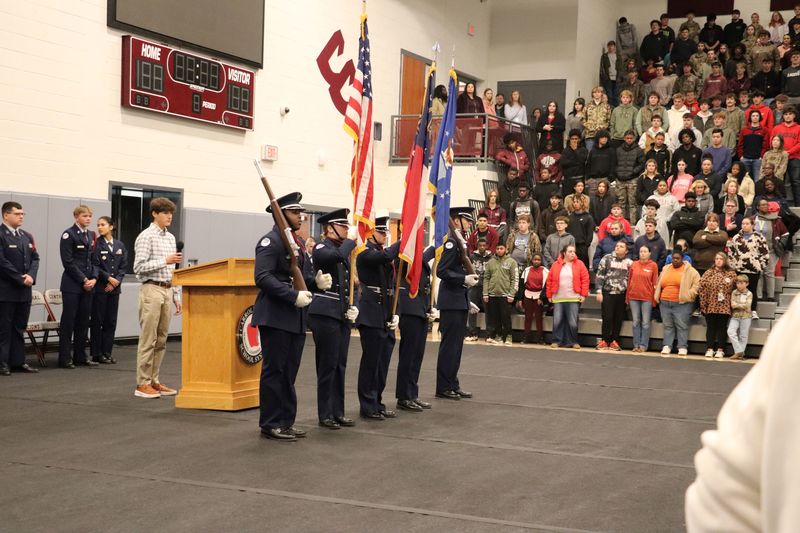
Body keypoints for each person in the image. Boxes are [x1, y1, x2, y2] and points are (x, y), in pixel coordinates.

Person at [253, 193, 323, 439]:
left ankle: (286, 420)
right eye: (295, 213)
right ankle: (271, 423)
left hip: (295, 316)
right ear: (280, 213)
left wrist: (317, 283)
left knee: (290, 371)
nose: (300, 217)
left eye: (300, 213)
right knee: (275, 371)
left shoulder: (297, 242)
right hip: (276, 315)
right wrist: (292, 295)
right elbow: (262, 277)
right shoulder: (270, 241)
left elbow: (302, 275)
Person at [308, 208, 358, 428]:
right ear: (330, 228)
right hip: (324, 313)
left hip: (340, 313)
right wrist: (352, 241)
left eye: (347, 227)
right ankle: (325, 413)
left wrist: (351, 306)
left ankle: (338, 411)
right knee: (327, 365)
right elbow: (334, 257)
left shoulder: (341, 249)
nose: (346, 230)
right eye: (343, 226)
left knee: (340, 364)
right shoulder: (322, 247)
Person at [132, 197, 183, 398]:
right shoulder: (146, 237)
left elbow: (173, 269)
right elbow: (138, 268)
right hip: (151, 289)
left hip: (167, 288)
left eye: (171, 213)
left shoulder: (170, 238)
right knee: (148, 338)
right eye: (165, 212)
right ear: (155, 214)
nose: (169, 216)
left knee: (161, 339)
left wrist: (176, 294)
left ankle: (154, 380)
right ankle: (142, 383)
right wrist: (165, 260)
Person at [355, 216, 400, 420]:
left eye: (385, 232)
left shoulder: (382, 252)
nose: (384, 235)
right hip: (371, 312)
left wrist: (394, 312)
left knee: (382, 362)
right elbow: (384, 258)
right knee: (371, 362)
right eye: (381, 232)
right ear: (370, 232)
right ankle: (367, 404)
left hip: (385, 312)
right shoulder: (365, 254)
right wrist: (406, 239)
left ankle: (377, 401)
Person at [436, 207, 478, 402]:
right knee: (449, 347)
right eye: (466, 220)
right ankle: (444, 386)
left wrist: (467, 300)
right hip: (450, 303)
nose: (469, 224)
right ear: (456, 220)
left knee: (456, 348)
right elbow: (442, 271)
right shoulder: (451, 243)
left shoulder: (459, 242)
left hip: (458, 301)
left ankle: (452, 383)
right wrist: (464, 279)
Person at [0, 201, 40, 376]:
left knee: (19, 327)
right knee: (4, 328)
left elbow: (35, 258)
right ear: (6, 215)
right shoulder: (1, 235)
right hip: (6, 290)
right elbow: (1, 261)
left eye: (23, 214)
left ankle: (18, 361)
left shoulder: (26, 236)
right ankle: (3, 363)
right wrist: (19, 278)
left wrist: (31, 275)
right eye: (17, 214)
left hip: (24, 291)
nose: (21, 216)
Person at [395, 244, 436, 413]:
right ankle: (404, 396)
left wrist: (430, 305)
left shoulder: (417, 254)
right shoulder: (404, 254)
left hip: (420, 307)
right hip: (410, 307)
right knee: (408, 355)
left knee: (417, 355)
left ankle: (412, 393)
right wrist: (435, 247)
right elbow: (416, 263)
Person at [58, 205, 98, 369]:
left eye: (89, 216)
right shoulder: (69, 234)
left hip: (89, 285)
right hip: (72, 285)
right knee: (69, 321)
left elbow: (94, 260)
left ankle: (80, 356)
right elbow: (68, 262)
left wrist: (94, 278)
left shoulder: (91, 235)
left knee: (83, 321)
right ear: (76, 217)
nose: (88, 219)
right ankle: (65, 358)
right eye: (84, 216)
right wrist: (83, 279)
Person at [90, 216, 127, 364]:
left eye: (103, 225)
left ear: (111, 227)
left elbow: (123, 267)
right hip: (100, 288)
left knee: (110, 322)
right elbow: (95, 265)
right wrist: (108, 278)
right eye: (98, 225)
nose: (99, 227)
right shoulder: (96, 244)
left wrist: (115, 281)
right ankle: (96, 353)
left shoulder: (119, 245)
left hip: (114, 289)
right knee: (97, 321)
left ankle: (107, 352)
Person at [655, 250, 701, 356]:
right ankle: (667, 346)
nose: (675, 260)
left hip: (682, 303)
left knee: (682, 326)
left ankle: (682, 347)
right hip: (665, 302)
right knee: (668, 326)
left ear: (682, 259)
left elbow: (697, 285)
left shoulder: (690, 271)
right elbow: (659, 282)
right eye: (673, 258)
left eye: (678, 258)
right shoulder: (666, 268)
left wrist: (689, 295)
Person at [546, 244, 589, 349]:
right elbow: (549, 280)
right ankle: (557, 341)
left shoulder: (580, 264)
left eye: (574, 252)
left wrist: (583, 294)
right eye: (570, 251)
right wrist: (549, 295)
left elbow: (585, 280)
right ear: (564, 253)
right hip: (558, 298)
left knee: (572, 321)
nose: (572, 254)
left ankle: (573, 341)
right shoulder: (555, 264)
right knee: (557, 320)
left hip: (574, 297)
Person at [727, 216, 768, 318]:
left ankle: (753, 310)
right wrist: (733, 266)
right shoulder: (736, 237)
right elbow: (731, 253)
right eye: (743, 224)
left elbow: (765, 253)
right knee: (738, 289)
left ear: (752, 225)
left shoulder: (759, 237)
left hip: (753, 269)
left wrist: (760, 266)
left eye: (747, 223)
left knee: (752, 289)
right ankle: (736, 311)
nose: (744, 225)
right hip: (740, 269)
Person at [595, 240, 632, 350]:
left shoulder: (629, 263)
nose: (618, 247)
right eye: (617, 246)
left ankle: (615, 341)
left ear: (626, 251)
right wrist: (598, 291)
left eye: (621, 246)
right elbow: (599, 275)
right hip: (608, 293)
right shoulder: (606, 258)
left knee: (618, 318)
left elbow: (631, 279)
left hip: (621, 294)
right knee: (607, 317)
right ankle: (605, 340)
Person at [698, 252, 737, 358]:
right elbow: (701, 288)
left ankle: (720, 349)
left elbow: (734, 289)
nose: (718, 260)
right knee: (710, 327)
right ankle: (710, 349)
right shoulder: (708, 272)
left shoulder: (731, 273)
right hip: (710, 304)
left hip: (724, 305)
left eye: (721, 259)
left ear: (725, 260)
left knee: (722, 327)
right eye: (716, 259)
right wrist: (703, 305)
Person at [753, 198, 789, 303]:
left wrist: (780, 243)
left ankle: (770, 296)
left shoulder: (775, 219)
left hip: (771, 250)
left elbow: (785, 234)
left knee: (769, 272)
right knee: (759, 273)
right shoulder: (753, 219)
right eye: (763, 205)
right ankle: (759, 296)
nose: (765, 207)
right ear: (758, 207)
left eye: (766, 205)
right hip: (756, 251)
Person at [482, 243, 518, 346]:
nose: (499, 250)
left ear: (506, 249)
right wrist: (485, 293)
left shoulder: (512, 262)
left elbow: (514, 279)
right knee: (495, 317)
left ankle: (508, 336)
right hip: (492, 294)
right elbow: (486, 278)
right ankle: (498, 335)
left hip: (505, 294)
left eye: (501, 248)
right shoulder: (491, 262)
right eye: (497, 248)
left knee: (505, 317)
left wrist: (512, 294)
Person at [627, 245, 659, 353]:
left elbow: (655, 283)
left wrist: (654, 299)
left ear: (650, 253)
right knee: (635, 321)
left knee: (645, 322)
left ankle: (643, 345)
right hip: (633, 296)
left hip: (647, 298)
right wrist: (627, 297)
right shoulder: (634, 265)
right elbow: (629, 281)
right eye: (641, 251)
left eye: (645, 251)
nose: (643, 253)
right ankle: (636, 345)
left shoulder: (653, 265)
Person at [614, 130, 645, 221]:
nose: (629, 140)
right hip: (620, 180)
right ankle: (620, 224)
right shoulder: (618, 150)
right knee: (621, 204)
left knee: (632, 204)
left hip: (632, 180)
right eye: (627, 138)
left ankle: (632, 224)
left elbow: (642, 164)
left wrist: (633, 172)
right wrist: (617, 173)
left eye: (631, 138)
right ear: (624, 138)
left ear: (634, 139)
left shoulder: (638, 150)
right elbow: (614, 163)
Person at [771, 105, 800, 203]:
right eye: (786, 114)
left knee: (795, 182)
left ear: (794, 116)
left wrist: (788, 152)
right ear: (783, 116)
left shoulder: (799, 128)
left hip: (794, 158)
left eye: (790, 114)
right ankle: (778, 203)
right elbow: (772, 141)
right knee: (778, 181)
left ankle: (798, 205)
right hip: (778, 158)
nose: (788, 116)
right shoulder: (777, 128)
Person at [466, 238, 491, 342]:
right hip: (474, 287)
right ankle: (472, 334)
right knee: (472, 311)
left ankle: (489, 334)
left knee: (489, 311)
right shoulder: (472, 257)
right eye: (480, 246)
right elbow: (468, 270)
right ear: (477, 246)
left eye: (484, 246)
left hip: (486, 288)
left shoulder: (491, 258)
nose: (482, 247)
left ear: (486, 246)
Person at [521, 253, 548, 345]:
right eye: (535, 259)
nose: (536, 261)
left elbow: (546, 286)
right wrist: (520, 299)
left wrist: (541, 298)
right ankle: (526, 337)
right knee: (527, 317)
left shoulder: (545, 271)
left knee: (538, 318)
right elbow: (522, 285)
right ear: (532, 260)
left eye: (538, 260)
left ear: (541, 261)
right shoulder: (527, 270)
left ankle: (540, 338)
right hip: (527, 295)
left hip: (539, 296)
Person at [727, 275, 753, 359]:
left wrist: (739, 305)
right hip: (735, 316)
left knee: (743, 336)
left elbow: (747, 305)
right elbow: (733, 305)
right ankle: (739, 351)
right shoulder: (734, 292)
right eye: (738, 283)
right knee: (730, 332)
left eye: (741, 283)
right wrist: (742, 305)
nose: (739, 285)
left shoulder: (749, 293)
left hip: (746, 316)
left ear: (747, 284)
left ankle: (739, 353)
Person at [585, 130, 616, 195]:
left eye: (606, 137)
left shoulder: (611, 150)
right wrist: (588, 178)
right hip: (593, 180)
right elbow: (588, 164)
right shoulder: (593, 151)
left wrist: (610, 178)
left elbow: (613, 165)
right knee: (593, 201)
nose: (604, 139)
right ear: (598, 138)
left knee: (606, 201)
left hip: (605, 179)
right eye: (602, 137)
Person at [567, 196, 595, 268]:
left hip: (582, 246)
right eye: (574, 202)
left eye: (577, 202)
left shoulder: (588, 217)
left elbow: (590, 234)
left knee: (582, 267)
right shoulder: (570, 217)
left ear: (582, 203)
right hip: (571, 246)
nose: (575, 204)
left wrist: (586, 245)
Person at [560, 129, 587, 196]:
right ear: (570, 139)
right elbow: (563, 163)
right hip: (568, 180)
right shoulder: (565, 151)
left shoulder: (583, 150)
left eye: (576, 139)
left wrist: (575, 150)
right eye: (572, 139)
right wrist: (575, 162)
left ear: (579, 140)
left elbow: (582, 161)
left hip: (579, 179)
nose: (574, 140)